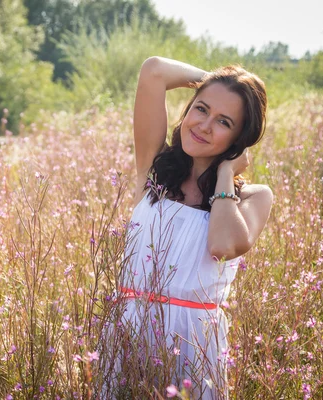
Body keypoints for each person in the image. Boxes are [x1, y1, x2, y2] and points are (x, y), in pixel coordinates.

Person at [109, 57, 273, 399]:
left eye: (224, 121)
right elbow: (154, 71)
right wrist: (221, 82)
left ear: (239, 139)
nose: (204, 125)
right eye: (201, 109)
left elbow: (222, 245)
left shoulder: (254, 198)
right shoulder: (153, 172)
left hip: (193, 342)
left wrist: (226, 174)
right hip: (128, 330)